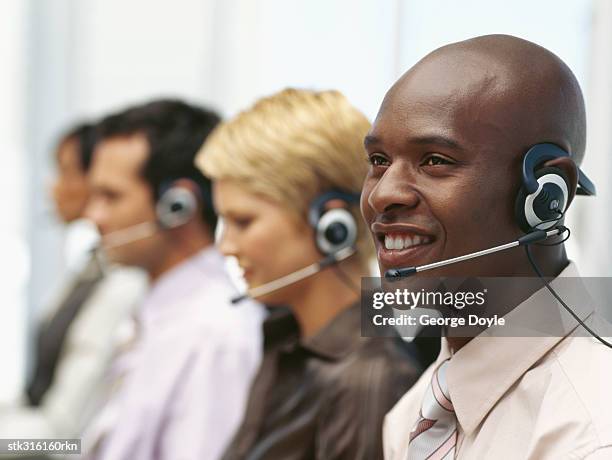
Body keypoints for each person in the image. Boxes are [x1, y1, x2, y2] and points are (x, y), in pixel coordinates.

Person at [360, 34, 612, 459]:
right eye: (379, 161)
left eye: (435, 160)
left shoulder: (588, 435)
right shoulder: (413, 412)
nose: (382, 194)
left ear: (546, 197)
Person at [197, 88, 423, 459]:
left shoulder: (366, 380)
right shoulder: (286, 338)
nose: (226, 246)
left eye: (243, 221)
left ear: (331, 224)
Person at [81, 99, 264, 460]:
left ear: (178, 206)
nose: (93, 215)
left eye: (110, 196)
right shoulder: (158, 314)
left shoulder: (214, 336)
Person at [0, 123, 147, 441]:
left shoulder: (125, 282)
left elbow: (64, 432)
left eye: (65, 171)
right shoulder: (92, 267)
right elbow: (38, 400)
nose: (52, 187)